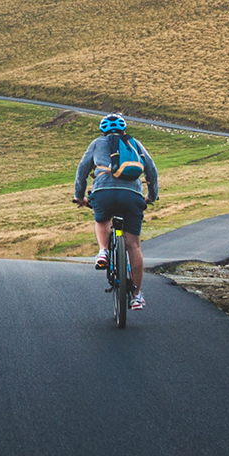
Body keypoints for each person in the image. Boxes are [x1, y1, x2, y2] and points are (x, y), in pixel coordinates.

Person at [73, 113, 159, 310]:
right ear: (124, 129)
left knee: (102, 220)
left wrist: (79, 196)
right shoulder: (135, 143)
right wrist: (151, 196)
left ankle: (103, 251)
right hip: (132, 196)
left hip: (104, 193)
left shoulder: (97, 143)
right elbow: (151, 170)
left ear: (103, 130)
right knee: (134, 246)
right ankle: (136, 296)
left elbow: (82, 170)